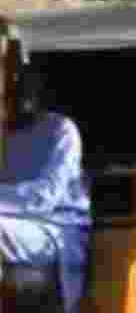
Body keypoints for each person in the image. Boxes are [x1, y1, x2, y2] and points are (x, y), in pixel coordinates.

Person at [0, 59, 91, 312]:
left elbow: (45, 196)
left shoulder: (61, 130)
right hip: (18, 226)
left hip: (55, 228)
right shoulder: (6, 135)